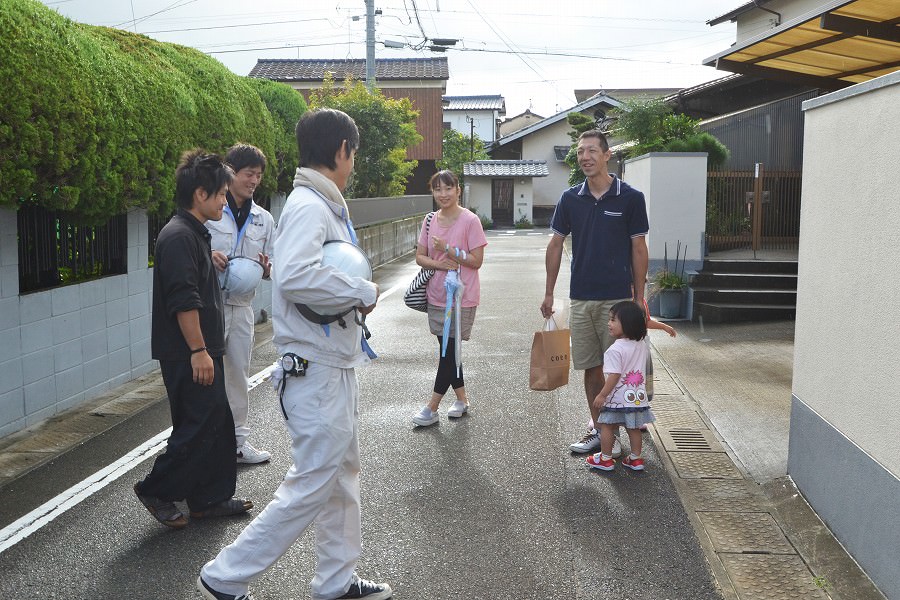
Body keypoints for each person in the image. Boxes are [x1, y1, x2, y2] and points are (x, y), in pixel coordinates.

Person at [198, 108, 392, 600]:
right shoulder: (310, 205)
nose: (354, 162)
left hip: (331, 362)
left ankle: (335, 580)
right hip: (315, 366)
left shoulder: (322, 203)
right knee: (311, 481)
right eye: (354, 152)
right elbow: (296, 276)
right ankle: (225, 574)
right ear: (341, 150)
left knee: (341, 475)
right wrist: (361, 288)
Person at [134, 150, 253, 529]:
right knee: (198, 424)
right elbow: (183, 299)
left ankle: (208, 498)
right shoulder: (179, 236)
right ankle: (157, 488)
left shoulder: (191, 234)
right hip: (189, 352)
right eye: (220, 194)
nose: (224, 201)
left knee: (217, 421)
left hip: (201, 350)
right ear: (200, 194)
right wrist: (199, 350)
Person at [540, 129, 649, 456]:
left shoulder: (630, 197)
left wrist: (639, 298)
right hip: (582, 297)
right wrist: (548, 292)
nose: (585, 157)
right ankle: (603, 434)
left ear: (606, 155)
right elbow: (556, 243)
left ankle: (628, 430)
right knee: (591, 368)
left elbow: (639, 248)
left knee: (619, 369)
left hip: (618, 298)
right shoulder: (570, 198)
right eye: (580, 152)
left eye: (591, 151)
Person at [206, 143, 276, 465]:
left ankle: (237, 443)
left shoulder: (264, 219)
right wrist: (209, 258)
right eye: (249, 174)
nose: (254, 181)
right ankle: (205, 443)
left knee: (237, 374)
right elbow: (190, 250)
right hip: (210, 307)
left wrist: (266, 268)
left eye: (259, 176)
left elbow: (273, 265)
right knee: (206, 377)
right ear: (232, 173)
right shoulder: (210, 211)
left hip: (242, 307)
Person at [411, 170, 487, 426]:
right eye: (437, 189)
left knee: (448, 351)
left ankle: (431, 407)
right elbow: (420, 257)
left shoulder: (470, 221)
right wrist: (440, 263)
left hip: (461, 296)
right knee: (447, 348)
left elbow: (476, 261)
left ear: (458, 190)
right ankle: (462, 399)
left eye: (447, 188)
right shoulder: (430, 220)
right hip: (437, 295)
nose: (442, 194)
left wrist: (450, 250)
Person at [586, 301, 656, 471]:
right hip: (636, 396)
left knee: (607, 426)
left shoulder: (615, 350)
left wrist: (602, 395)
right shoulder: (641, 345)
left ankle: (606, 459)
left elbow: (614, 375)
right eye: (609, 319)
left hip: (617, 398)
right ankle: (636, 458)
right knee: (633, 428)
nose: (609, 324)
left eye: (613, 320)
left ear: (628, 323)